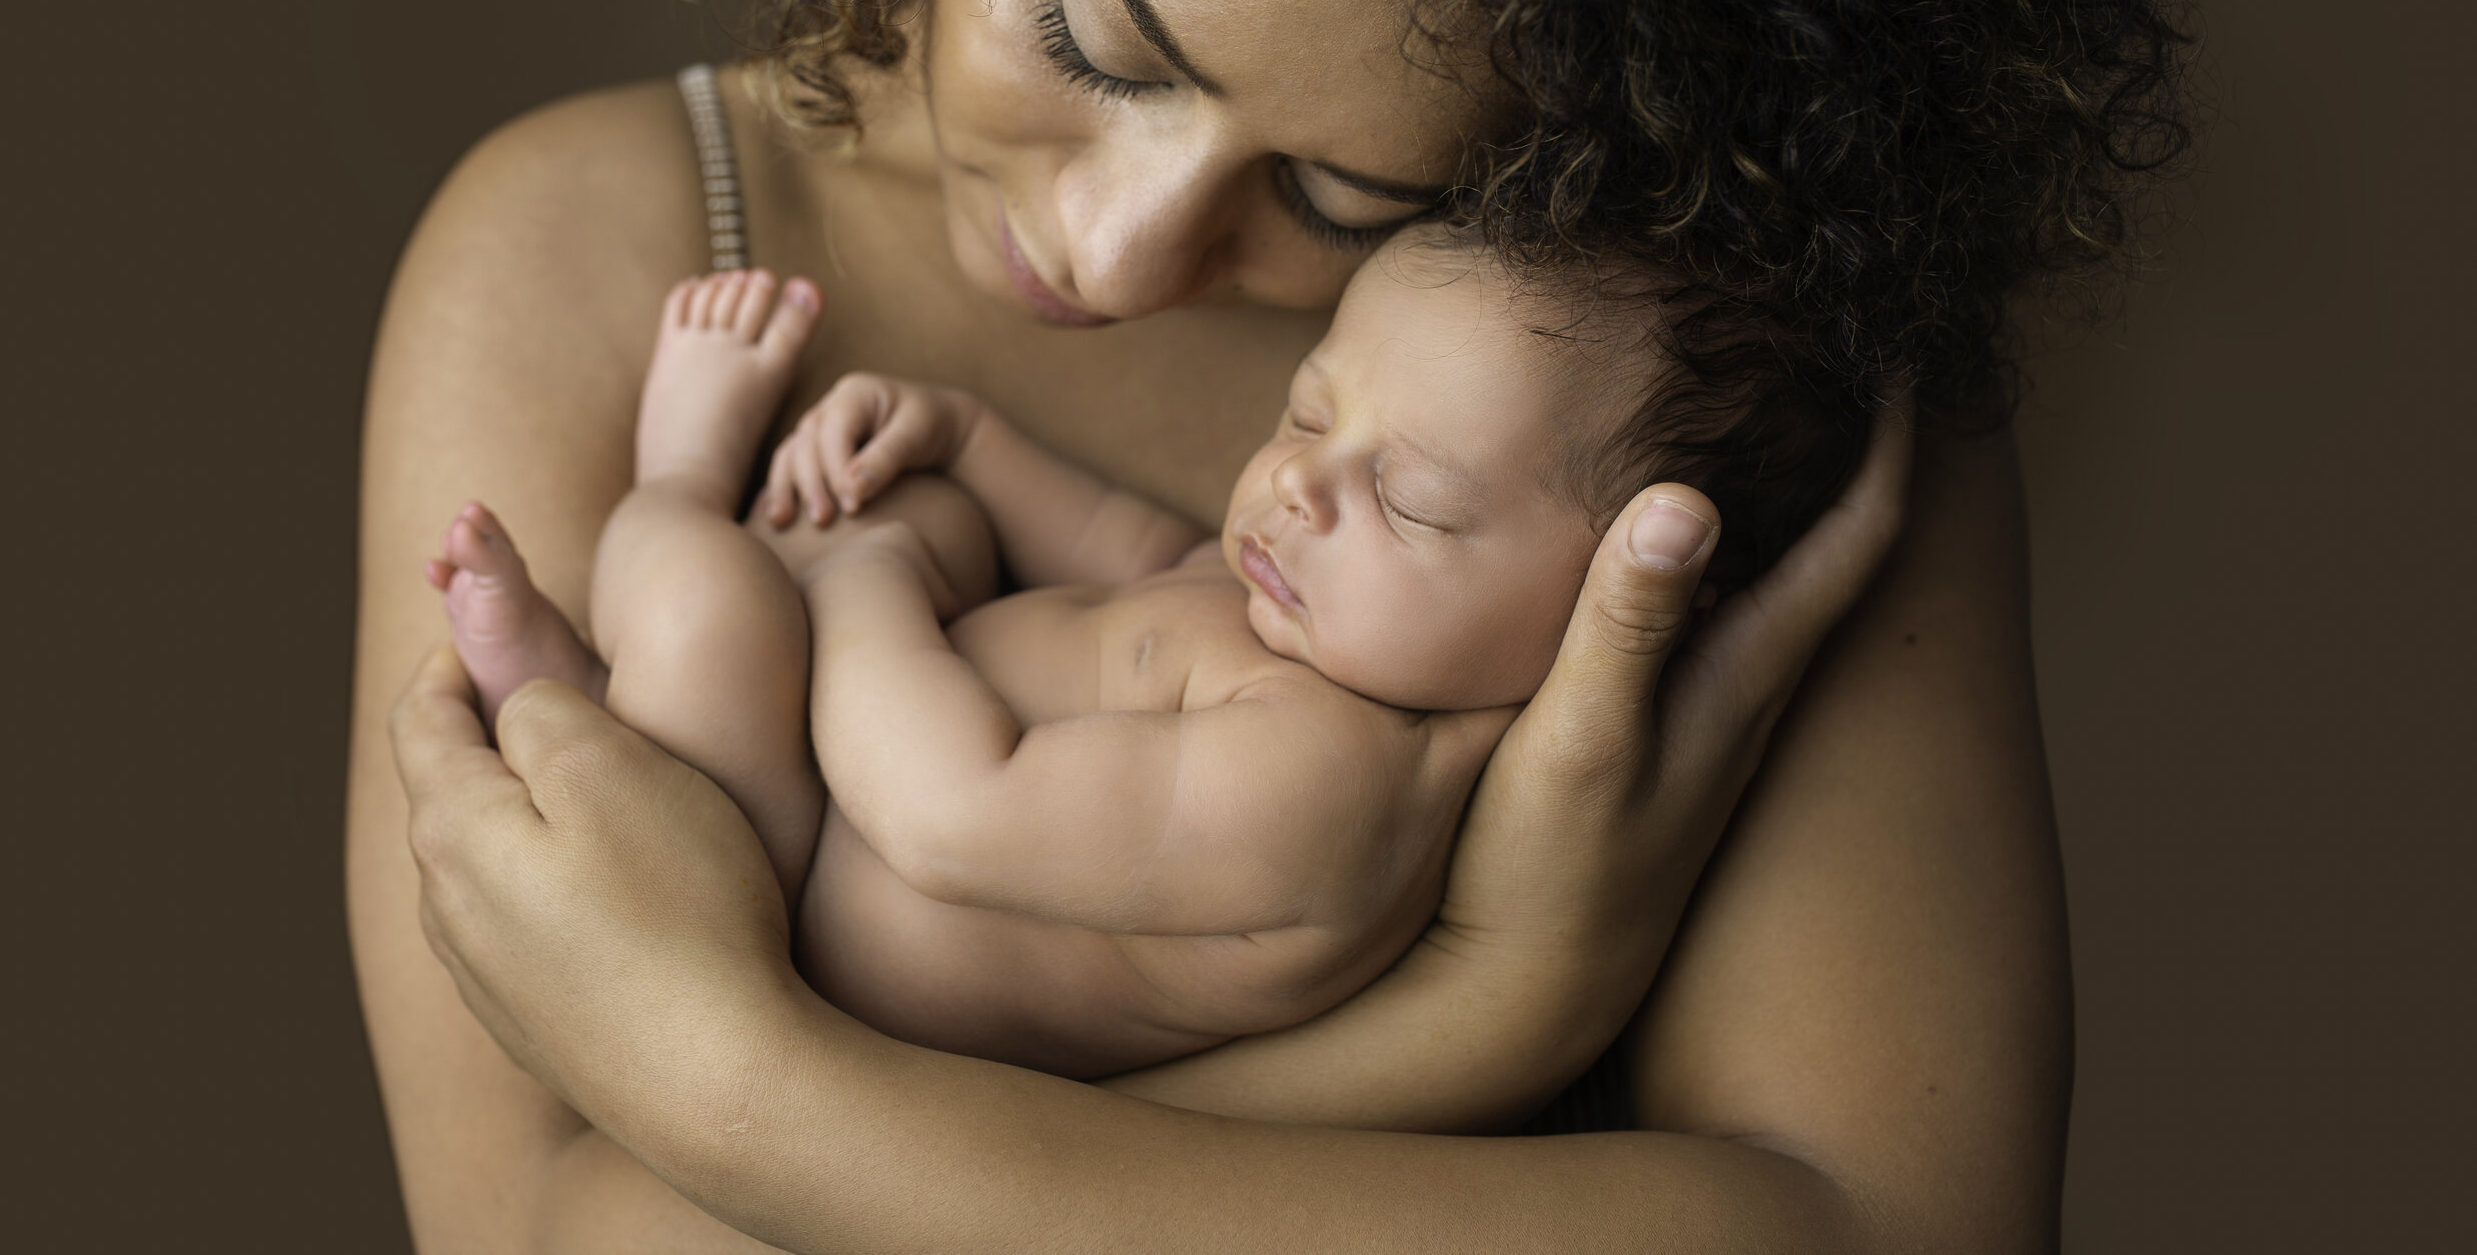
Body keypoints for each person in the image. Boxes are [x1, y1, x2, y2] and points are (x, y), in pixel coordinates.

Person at [355, 0, 2186, 1248]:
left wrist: (725, 1084)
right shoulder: (603, 242)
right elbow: (552, 1233)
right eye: (1090, 40)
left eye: (1342, 195)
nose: (1118, 245)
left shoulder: (1707, 366)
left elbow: (1890, 1236)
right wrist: (1476, 1009)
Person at [428, 225, 1851, 1080]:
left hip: (792, 879)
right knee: (920, 518)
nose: (1298, 486)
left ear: (1619, 601)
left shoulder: (1330, 783)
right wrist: (963, 441)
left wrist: (864, 579)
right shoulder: (1313, 618)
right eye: (1308, 415)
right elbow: (1129, 550)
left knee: (708, 610)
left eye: (1410, 500)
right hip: (859, 733)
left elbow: (948, 813)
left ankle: (663, 493)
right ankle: (589, 690)